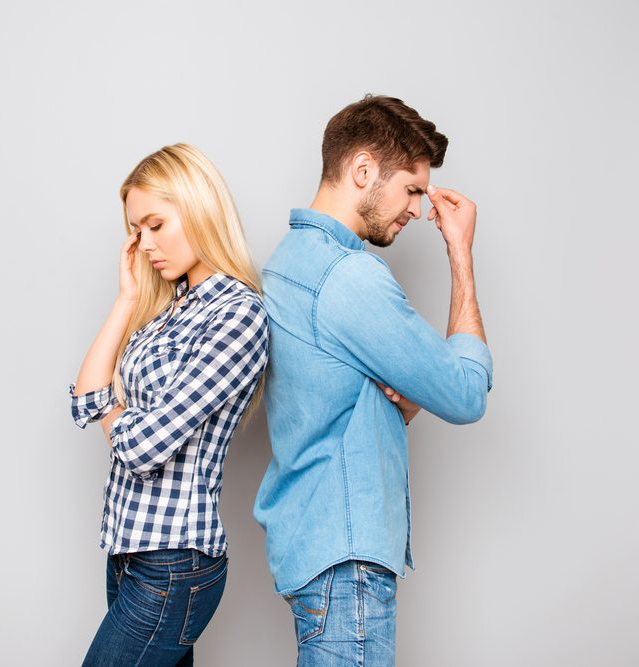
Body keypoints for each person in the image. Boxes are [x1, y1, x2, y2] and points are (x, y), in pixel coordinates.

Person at [253, 95, 494, 665]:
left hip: (314, 553)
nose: (418, 209)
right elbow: (465, 393)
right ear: (363, 171)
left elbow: (324, 389)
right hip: (346, 567)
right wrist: (460, 251)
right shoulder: (348, 280)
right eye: (412, 189)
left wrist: (392, 400)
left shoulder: (286, 263)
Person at [70, 143, 268, 667]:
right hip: (127, 552)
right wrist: (127, 300)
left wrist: (112, 414)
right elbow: (83, 395)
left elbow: (140, 447)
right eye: (136, 231)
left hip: (173, 562)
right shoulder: (164, 312)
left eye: (155, 224)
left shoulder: (238, 314)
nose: (145, 245)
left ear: (199, 208)